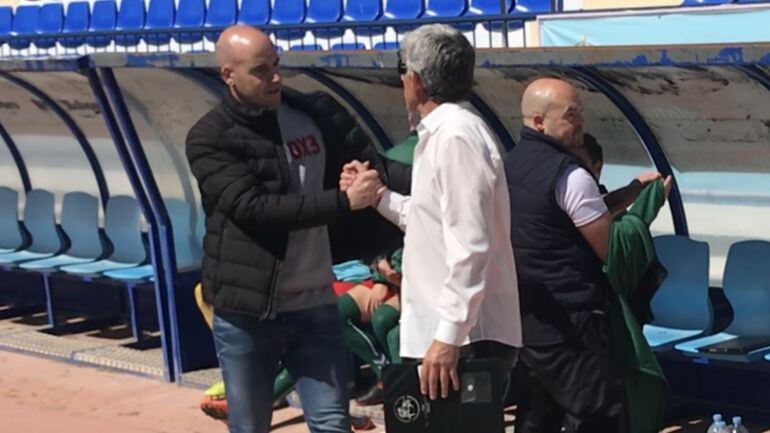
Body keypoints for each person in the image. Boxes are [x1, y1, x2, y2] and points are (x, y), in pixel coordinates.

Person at [185, 25, 409, 433]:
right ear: (228, 75)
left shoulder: (313, 113)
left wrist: (438, 186)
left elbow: (371, 166)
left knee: (331, 422)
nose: (275, 78)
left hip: (315, 303)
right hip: (247, 311)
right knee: (251, 424)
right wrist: (345, 201)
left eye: (276, 65)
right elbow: (252, 208)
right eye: (260, 71)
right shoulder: (209, 137)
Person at [343, 23, 521, 403]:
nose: (402, 79)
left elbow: (471, 244)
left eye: (402, 69)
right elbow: (432, 221)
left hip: (464, 338)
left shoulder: (456, 137)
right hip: (449, 334)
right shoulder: (444, 133)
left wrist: (449, 335)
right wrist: (378, 196)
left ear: (418, 81)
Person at [505, 77, 667, 433]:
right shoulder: (570, 175)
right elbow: (609, 245)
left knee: (538, 417)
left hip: (528, 321)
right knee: (602, 415)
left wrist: (633, 190)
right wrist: (641, 214)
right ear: (538, 121)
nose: (580, 123)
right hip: (572, 324)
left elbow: (567, 218)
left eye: (580, 113)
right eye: (571, 115)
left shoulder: (510, 166)